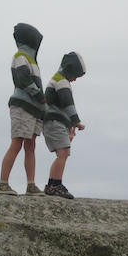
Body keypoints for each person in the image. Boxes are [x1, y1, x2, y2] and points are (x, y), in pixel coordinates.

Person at [0, 23, 46, 196]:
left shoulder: (32, 60)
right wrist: (41, 98)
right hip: (22, 106)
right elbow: (24, 80)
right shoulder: (20, 56)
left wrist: (42, 106)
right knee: (17, 143)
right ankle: (3, 184)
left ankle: (31, 185)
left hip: (34, 109)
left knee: (30, 146)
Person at [43, 52, 86, 199]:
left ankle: (51, 185)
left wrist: (68, 126)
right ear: (69, 70)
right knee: (64, 153)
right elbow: (68, 103)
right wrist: (76, 121)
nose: (74, 79)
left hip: (53, 121)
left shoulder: (57, 79)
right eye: (75, 75)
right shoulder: (61, 81)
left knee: (61, 153)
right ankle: (56, 185)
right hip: (54, 121)